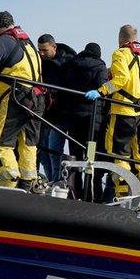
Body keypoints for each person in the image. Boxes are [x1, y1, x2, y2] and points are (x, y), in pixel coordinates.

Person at [84, 25, 140, 199]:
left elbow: (120, 79)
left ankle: (122, 194)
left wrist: (101, 91)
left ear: (121, 39)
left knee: (120, 154)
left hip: (124, 112)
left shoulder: (120, 54)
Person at [0, 11, 44, 190]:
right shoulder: (29, 44)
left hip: (16, 97)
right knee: (27, 141)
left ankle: (10, 180)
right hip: (37, 99)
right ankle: (29, 180)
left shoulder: (3, 41)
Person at [60, 43, 109, 200]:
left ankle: (74, 192)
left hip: (73, 118)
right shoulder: (100, 66)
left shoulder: (72, 65)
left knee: (75, 156)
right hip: (92, 121)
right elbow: (103, 88)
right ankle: (91, 195)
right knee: (90, 158)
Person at [36, 34, 76, 182]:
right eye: (39, 50)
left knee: (53, 149)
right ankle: (51, 180)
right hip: (45, 112)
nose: (41, 53)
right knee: (43, 154)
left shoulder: (68, 63)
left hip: (61, 112)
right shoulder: (41, 62)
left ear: (54, 47)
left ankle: (58, 182)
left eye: (44, 50)